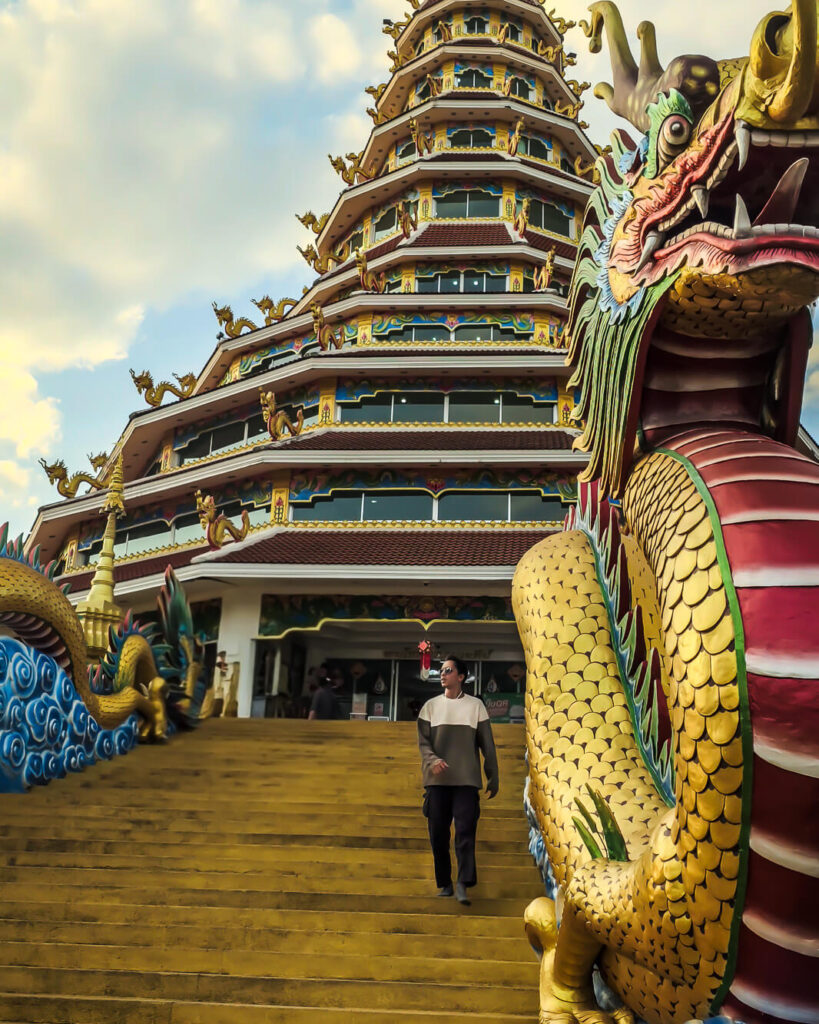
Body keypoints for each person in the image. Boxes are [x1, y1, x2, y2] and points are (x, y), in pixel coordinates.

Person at [416, 655, 499, 905]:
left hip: (466, 780)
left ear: (461, 676)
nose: (442, 674)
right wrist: (432, 760)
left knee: (465, 832)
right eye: (441, 670)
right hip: (436, 782)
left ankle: (463, 883)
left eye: (448, 670)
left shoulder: (476, 706)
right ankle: (445, 883)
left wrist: (493, 776)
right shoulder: (430, 706)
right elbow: (423, 743)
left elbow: (488, 745)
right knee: (438, 835)